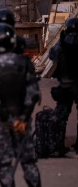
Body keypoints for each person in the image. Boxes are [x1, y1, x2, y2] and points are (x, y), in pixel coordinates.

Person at [0, 23, 41, 187]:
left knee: (5, 164)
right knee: (28, 161)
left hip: (2, 121)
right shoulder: (24, 63)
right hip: (23, 119)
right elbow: (33, 93)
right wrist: (23, 118)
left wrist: (10, 120)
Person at [49, 17, 78, 156]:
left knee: (61, 116)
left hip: (66, 85)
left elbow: (51, 55)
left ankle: (58, 145)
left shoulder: (62, 43)